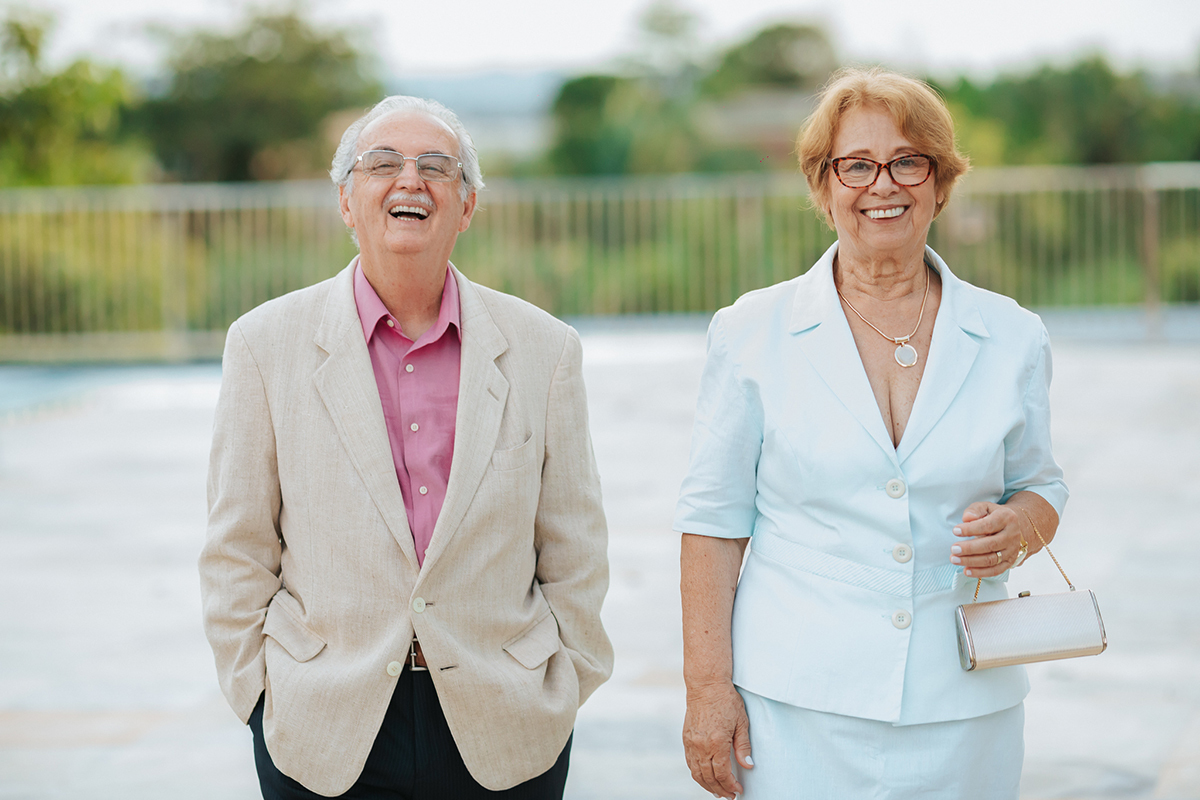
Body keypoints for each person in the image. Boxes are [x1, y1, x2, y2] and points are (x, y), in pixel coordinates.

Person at [199, 95, 613, 799]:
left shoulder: (546, 350)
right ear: (346, 200)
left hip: (505, 723)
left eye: (436, 166)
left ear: (467, 205)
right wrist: (259, 695)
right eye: (382, 163)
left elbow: (575, 545)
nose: (410, 180)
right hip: (324, 728)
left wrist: (564, 682)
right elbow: (237, 547)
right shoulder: (264, 346)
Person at [675, 67, 1068, 799]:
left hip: (965, 703)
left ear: (940, 183)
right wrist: (707, 693)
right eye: (855, 165)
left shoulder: (1014, 334)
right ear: (823, 188)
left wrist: (1019, 527)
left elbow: (1041, 485)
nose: (881, 184)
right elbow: (712, 523)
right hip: (792, 706)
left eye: (907, 161)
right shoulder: (750, 331)